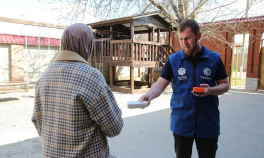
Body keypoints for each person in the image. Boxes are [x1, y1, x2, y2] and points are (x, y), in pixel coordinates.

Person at [139, 19, 229, 158]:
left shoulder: (214, 59)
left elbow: (225, 85)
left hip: (208, 124)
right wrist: (149, 95)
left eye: (188, 38)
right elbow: (160, 84)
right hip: (181, 124)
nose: (184, 43)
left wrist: (210, 90)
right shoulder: (173, 60)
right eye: (181, 39)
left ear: (198, 36)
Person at [32, 23, 123, 158]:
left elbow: (37, 121)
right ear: (88, 45)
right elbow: (114, 127)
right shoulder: (92, 77)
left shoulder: (44, 76)